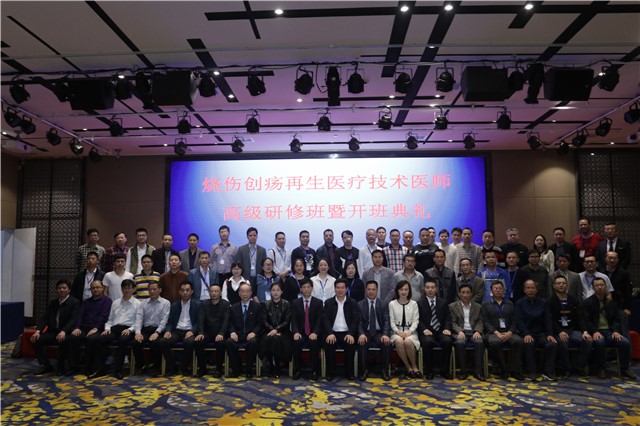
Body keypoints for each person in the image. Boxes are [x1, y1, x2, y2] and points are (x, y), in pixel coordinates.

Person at [582, 277, 636, 380]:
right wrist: (594, 331)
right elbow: (587, 321)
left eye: (601, 285)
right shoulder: (587, 303)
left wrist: (615, 331)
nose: (600, 287)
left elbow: (616, 320)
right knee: (599, 343)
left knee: (624, 342)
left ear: (606, 287)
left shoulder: (611, 303)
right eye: (597, 285)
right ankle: (601, 369)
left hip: (609, 332)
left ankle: (624, 368)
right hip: (595, 331)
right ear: (593, 288)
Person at [32, 279, 80, 375]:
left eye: (64, 288)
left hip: (67, 332)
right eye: (59, 288)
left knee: (63, 340)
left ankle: (61, 367)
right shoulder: (53, 303)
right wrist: (38, 331)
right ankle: (45, 365)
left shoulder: (74, 302)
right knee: (38, 339)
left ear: (69, 290)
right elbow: (45, 318)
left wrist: (64, 331)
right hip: (53, 331)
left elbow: (73, 319)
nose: (61, 290)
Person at [548, 275, 591, 378]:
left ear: (567, 285)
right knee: (563, 342)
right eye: (558, 283)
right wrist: (560, 331)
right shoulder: (550, 301)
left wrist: (585, 332)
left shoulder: (573, 300)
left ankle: (579, 367)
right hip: (558, 331)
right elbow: (550, 320)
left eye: (563, 283)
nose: (561, 285)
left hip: (572, 330)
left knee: (588, 340)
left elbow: (581, 317)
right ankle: (566, 369)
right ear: (554, 286)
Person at [67, 279, 112, 375]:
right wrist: (77, 327)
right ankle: (73, 366)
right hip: (84, 328)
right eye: (93, 288)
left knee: (92, 339)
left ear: (102, 288)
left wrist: (95, 328)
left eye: (98, 287)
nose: (95, 289)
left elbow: (104, 317)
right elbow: (80, 316)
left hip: (99, 328)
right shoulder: (86, 302)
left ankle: (91, 367)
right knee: (72, 337)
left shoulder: (107, 301)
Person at [480, 281, 523, 380]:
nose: (498, 290)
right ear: (491, 291)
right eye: (495, 288)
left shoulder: (510, 304)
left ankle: (515, 370)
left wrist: (510, 332)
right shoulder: (486, 304)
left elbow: (515, 320)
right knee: (495, 342)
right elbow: (485, 321)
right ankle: (503, 369)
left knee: (518, 341)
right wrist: (496, 333)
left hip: (509, 332)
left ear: (503, 290)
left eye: (500, 288)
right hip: (493, 333)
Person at [98, 278, 140, 379]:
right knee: (101, 339)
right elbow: (110, 319)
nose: (127, 290)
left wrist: (130, 329)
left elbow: (138, 322)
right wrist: (107, 328)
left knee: (123, 340)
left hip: (128, 329)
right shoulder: (115, 303)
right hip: (115, 328)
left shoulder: (138, 304)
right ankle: (101, 368)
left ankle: (118, 370)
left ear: (133, 289)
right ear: (121, 289)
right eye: (124, 288)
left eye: (129, 288)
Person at [515, 279, 557, 380]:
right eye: (528, 288)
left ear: (536, 290)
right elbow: (519, 321)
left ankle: (548, 372)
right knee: (528, 344)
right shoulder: (519, 303)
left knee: (552, 344)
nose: (530, 290)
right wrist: (526, 333)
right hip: (527, 333)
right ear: (524, 290)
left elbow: (548, 319)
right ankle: (532, 371)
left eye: (533, 288)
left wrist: (550, 334)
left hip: (541, 333)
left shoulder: (543, 302)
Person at [158, 281, 200, 376]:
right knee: (163, 342)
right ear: (179, 292)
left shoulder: (197, 304)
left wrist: (193, 331)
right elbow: (169, 322)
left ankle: (184, 367)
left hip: (190, 330)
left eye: (187, 290)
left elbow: (199, 322)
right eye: (182, 290)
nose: (185, 292)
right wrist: (168, 331)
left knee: (189, 342)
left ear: (192, 292)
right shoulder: (174, 305)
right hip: (176, 331)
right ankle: (172, 367)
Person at [323, 278, 359, 381]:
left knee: (350, 344)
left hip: (347, 333)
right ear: (334, 289)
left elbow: (356, 319)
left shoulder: (352, 302)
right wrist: (329, 333)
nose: (340, 290)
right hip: (332, 333)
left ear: (346, 289)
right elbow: (325, 320)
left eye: (342, 288)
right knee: (329, 344)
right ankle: (330, 373)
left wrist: (351, 333)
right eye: (338, 288)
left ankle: (349, 373)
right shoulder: (328, 303)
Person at [417, 280, 453, 380]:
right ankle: (429, 371)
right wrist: (424, 329)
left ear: (436, 289)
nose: (430, 290)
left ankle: (445, 371)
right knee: (427, 342)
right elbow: (418, 319)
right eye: (427, 287)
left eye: (432, 287)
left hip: (441, 331)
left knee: (448, 341)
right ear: (424, 289)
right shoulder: (419, 303)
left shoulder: (443, 302)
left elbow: (448, 318)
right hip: (427, 331)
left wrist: (447, 328)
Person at [448, 283, 485, 380]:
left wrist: (477, 331)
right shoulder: (452, 306)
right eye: (463, 292)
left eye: (468, 292)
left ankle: (478, 372)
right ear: (459, 294)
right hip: (460, 332)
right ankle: (463, 371)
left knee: (479, 342)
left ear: (471, 294)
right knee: (460, 343)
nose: (465, 295)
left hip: (473, 332)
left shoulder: (478, 307)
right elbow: (452, 322)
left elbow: (480, 321)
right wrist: (460, 331)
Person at [132, 281, 170, 375]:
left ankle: (156, 366)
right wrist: (138, 333)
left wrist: (157, 332)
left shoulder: (166, 303)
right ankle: (141, 365)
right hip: (146, 330)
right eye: (150, 290)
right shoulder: (143, 303)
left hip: (159, 330)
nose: (152, 291)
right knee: (136, 342)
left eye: (154, 289)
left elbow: (164, 321)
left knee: (155, 342)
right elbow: (139, 319)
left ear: (160, 290)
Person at [225, 283, 263, 378]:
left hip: (251, 334)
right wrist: (232, 332)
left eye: (247, 291)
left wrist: (254, 332)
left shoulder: (257, 307)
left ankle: (249, 369)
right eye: (242, 291)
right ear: (239, 293)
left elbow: (260, 324)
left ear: (251, 293)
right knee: (229, 342)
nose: (244, 294)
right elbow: (230, 323)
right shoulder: (234, 307)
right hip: (238, 334)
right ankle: (237, 368)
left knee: (253, 343)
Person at [357, 280, 392, 381]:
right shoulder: (360, 304)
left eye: (373, 289)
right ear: (365, 290)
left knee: (386, 342)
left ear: (377, 290)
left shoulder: (383, 304)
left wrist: (385, 334)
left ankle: (384, 371)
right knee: (362, 342)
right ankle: (363, 371)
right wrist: (361, 334)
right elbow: (359, 322)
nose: (371, 292)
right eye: (369, 289)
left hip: (379, 332)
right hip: (366, 332)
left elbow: (386, 321)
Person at [194, 284, 230, 378]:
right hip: (207, 332)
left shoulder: (226, 304)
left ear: (220, 293)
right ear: (209, 293)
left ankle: (218, 369)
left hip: (220, 332)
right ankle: (202, 369)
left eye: (216, 291)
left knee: (221, 343)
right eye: (212, 291)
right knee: (198, 342)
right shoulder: (204, 304)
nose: (214, 293)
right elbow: (200, 319)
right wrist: (200, 333)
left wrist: (221, 333)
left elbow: (226, 321)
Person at [291, 280, 323, 380]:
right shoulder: (295, 303)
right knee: (296, 342)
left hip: (313, 332)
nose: (306, 289)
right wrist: (296, 332)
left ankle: (315, 370)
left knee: (314, 343)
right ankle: (297, 370)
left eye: (308, 287)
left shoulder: (318, 302)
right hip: (300, 332)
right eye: (304, 287)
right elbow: (293, 320)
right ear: (300, 289)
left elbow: (319, 320)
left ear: (312, 288)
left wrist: (315, 332)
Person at [388, 280, 421, 378]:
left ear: (409, 291)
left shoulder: (414, 304)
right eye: (401, 289)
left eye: (406, 289)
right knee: (399, 341)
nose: (403, 292)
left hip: (411, 332)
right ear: (397, 290)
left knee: (407, 341)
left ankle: (414, 366)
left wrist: (410, 332)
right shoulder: (392, 304)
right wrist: (398, 332)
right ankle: (408, 367)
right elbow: (391, 321)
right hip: (396, 332)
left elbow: (416, 320)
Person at [260, 281, 292, 378]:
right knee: (270, 339)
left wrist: (277, 330)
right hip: (268, 332)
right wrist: (272, 330)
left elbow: (287, 321)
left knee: (276, 339)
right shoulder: (265, 304)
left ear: (282, 291)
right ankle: (273, 365)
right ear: (270, 292)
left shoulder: (287, 304)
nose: (275, 292)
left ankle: (275, 366)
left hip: (283, 332)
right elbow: (264, 320)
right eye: (273, 290)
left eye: (278, 290)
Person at [601, 251, 632, 330]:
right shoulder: (600, 273)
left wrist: (627, 308)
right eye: (610, 258)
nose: (612, 260)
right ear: (605, 259)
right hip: (603, 305)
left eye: (614, 258)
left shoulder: (623, 273)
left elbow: (627, 292)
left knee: (623, 328)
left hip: (619, 305)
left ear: (618, 260)